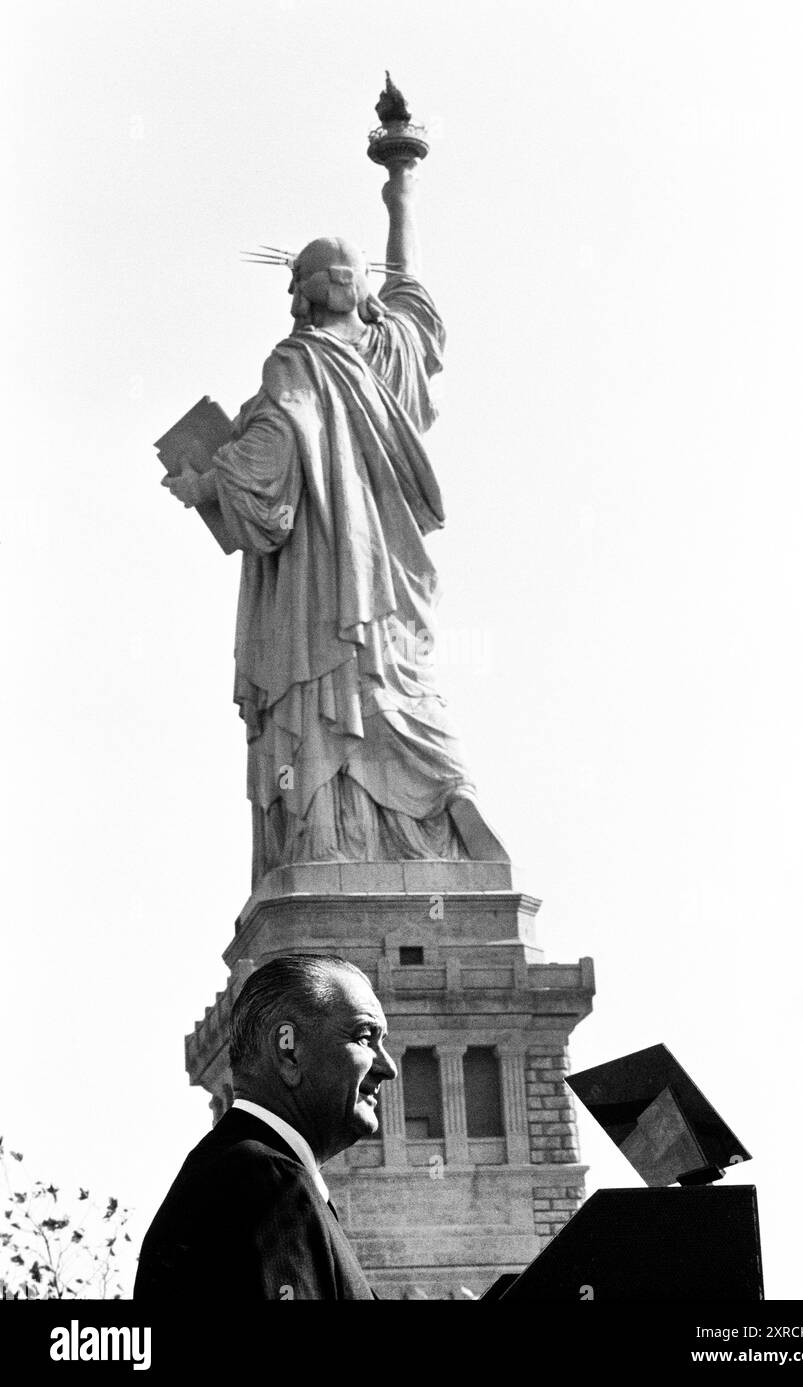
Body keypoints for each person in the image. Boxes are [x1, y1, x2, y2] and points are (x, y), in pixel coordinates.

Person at [162, 161, 507, 884]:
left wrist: (205, 482)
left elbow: (273, 458)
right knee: (393, 688)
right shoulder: (388, 356)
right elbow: (411, 295)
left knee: (326, 701)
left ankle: (331, 844)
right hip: (387, 581)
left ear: (309, 294)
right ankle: (447, 796)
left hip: (324, 589)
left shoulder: (300, 364)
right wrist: (402, 183)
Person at [133, 954, 396, 1300]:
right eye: (364, 1038)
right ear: (288, 1050)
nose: (388, 1066)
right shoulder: (270, 1184)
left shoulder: (231, 1169)